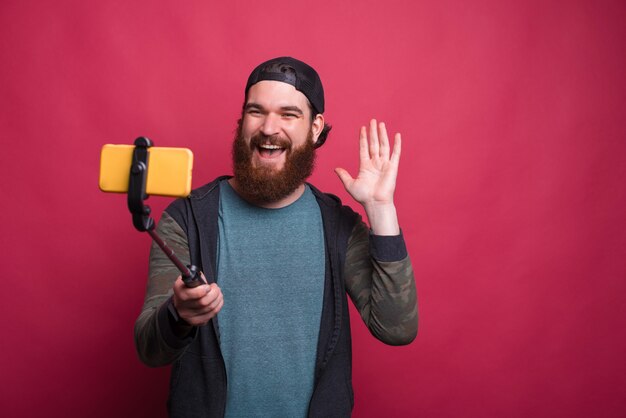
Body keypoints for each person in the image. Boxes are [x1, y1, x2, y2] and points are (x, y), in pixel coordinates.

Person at [134, 56, 418, 418]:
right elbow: (149, 348)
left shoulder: (338, 227)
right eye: (257, 111)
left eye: (288, 114)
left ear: (315, 128)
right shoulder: (188, 219)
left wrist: (381, 209)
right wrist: (179, 314)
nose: (269, 128)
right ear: (242, 121)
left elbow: (397, 327)